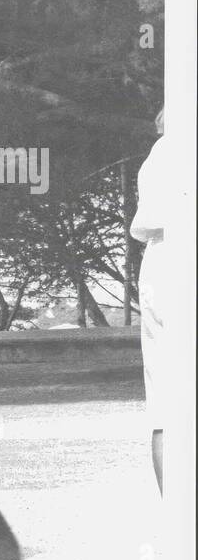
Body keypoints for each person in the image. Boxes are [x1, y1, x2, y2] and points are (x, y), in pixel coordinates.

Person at [130, 107, 166, 494]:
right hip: (178, 259)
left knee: (165, 404)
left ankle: (175, 515)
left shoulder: (155, 157)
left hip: (158, 263)